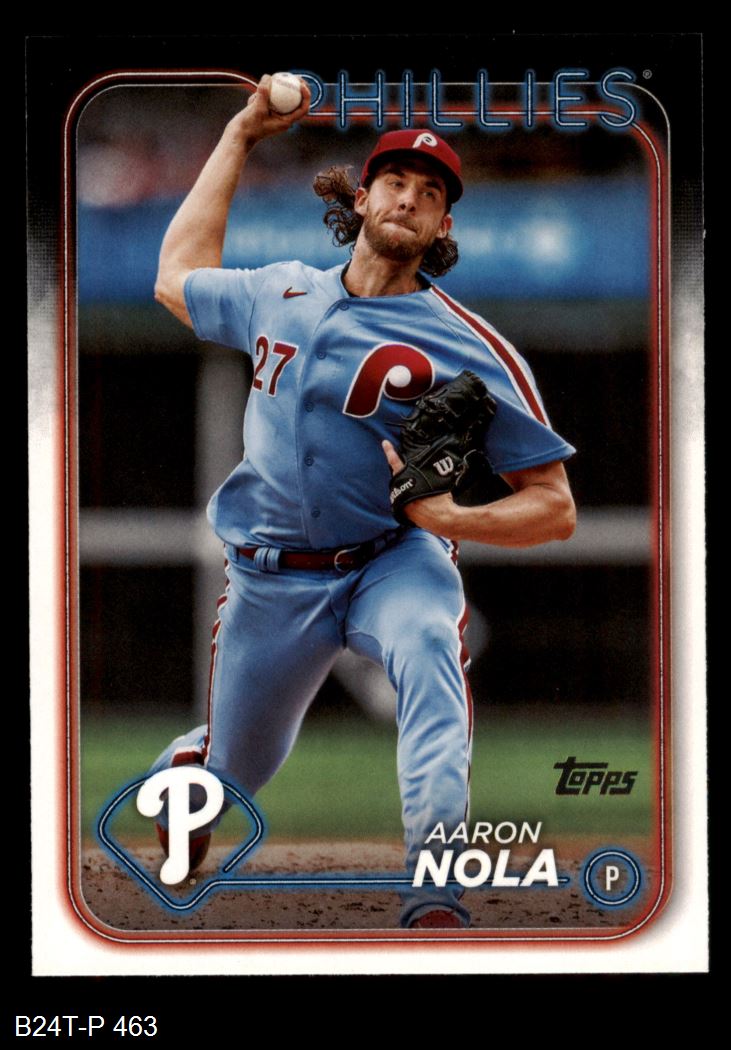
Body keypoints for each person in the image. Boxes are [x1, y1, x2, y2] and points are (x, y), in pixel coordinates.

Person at [149, 75, 576, 929]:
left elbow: (553, 506)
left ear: (443, 226)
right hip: (271, 577)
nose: (409, 198)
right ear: (361, 197)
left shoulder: (470, 346)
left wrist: (453, 522)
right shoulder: (278, 290)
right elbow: (176, 278)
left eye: (431, 193)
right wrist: (240, 135)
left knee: (430, 652)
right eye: (395, 181)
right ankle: (187, 782)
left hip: (392, 559)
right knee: (234, 771)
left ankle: (435, 888)